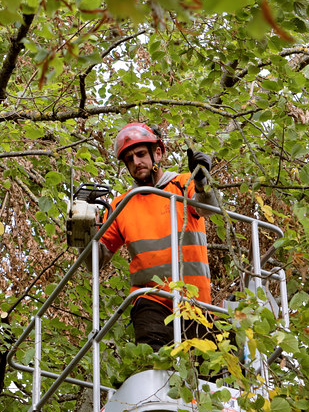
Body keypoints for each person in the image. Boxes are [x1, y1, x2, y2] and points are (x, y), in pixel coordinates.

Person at [91, 122, 218, 350]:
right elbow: (96, 260)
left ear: (157, 152)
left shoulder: (182, 184)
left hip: (196, 300)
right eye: (129, 159)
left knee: (205, 378)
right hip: (150, 299)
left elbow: (207, 208)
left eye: (140, 154)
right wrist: (84, 230)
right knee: (154, 367)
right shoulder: (121, 205)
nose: (136, 162)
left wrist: (201, 180)